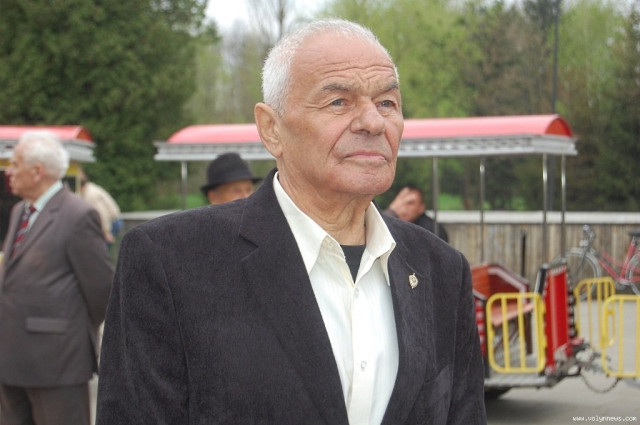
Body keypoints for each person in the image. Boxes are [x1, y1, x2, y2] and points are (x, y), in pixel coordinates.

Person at [96, 19, 486, 425]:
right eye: (339, 102)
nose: (373, 122)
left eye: (387, 103)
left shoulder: (441, 270)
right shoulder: (171, 262)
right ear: (271, 129)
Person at [0, 130, 113, 425]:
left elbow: (101, 289)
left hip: (57, 363)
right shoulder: (20, 211)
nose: (9, 172)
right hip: (12, 359)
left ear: (37, 171)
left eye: (15, 164)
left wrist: (68, 330)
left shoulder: (78, 214)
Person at [384, 184, 449, 242]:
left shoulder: (428, 229)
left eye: (410, 203)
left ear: (421, 208)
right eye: (401, 202)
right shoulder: (399, 223)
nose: (404, 207)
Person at [79, 168, 123, 248]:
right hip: (112, 222)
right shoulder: (89, 189)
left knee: (101, 249)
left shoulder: (90, 195)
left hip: (111, 223)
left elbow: (102, 214)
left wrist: (106, 232)